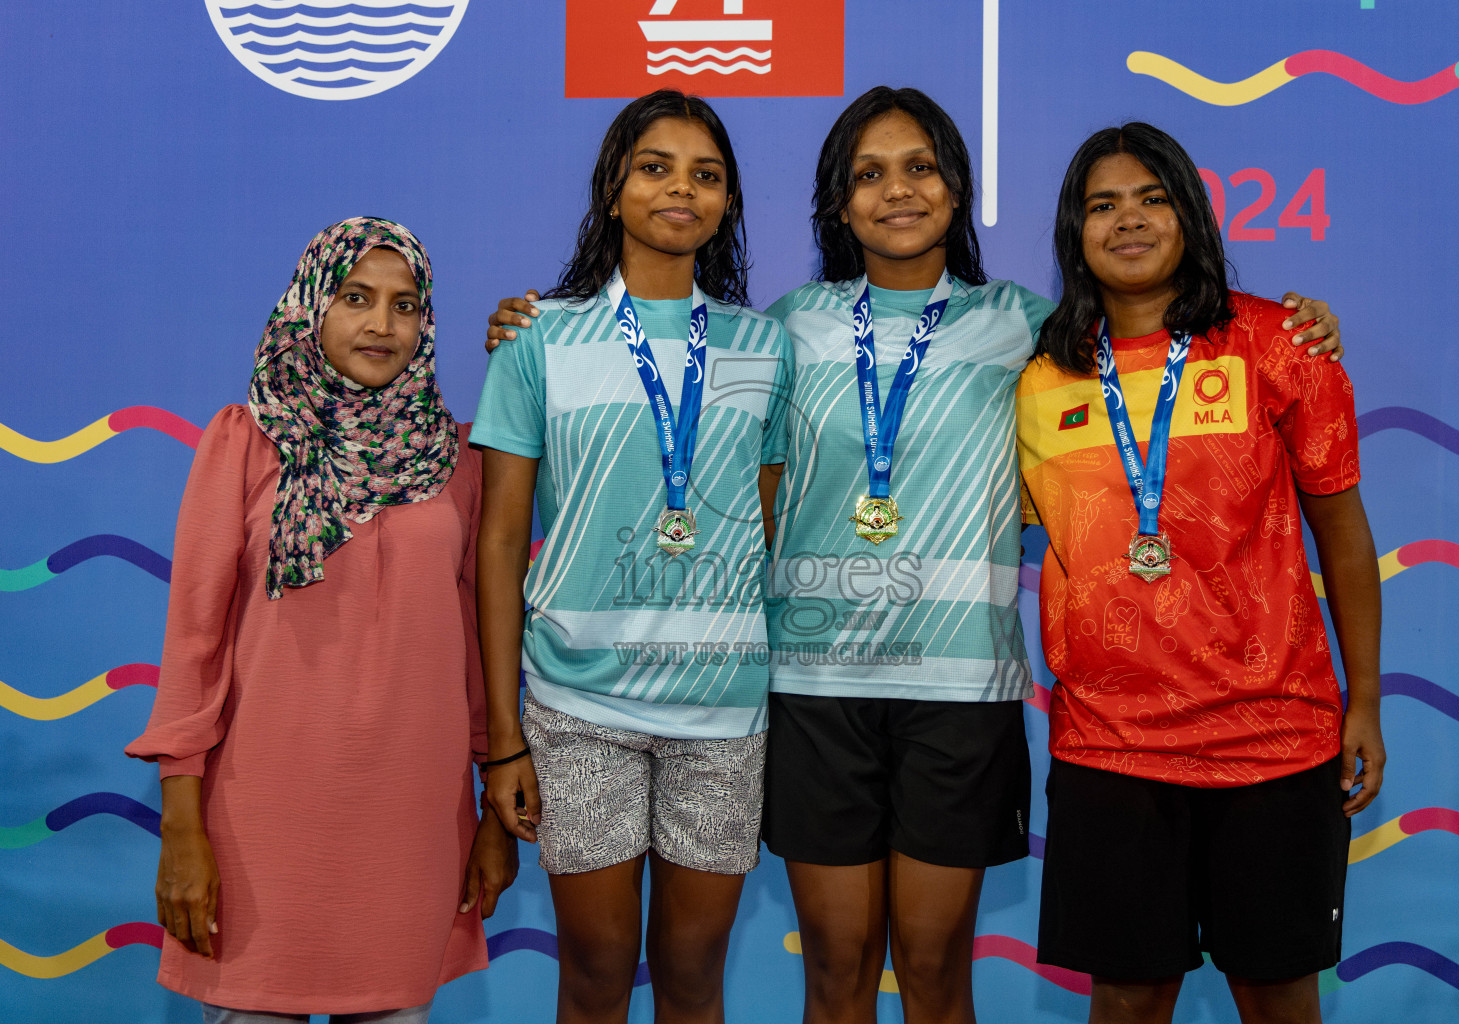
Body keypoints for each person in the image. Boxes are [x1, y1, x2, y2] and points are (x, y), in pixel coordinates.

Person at [483, 87, 1343, 1024]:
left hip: (960, 697)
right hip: (815, 692)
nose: (897, 191)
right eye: (869, 173)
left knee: (935, 975)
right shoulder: (780, 331)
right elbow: (705, 428)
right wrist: (529, 325)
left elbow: (1157, 337)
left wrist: (1297, 325)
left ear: (957, 187)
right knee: (837, 971)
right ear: (838, 204)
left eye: (921, 167)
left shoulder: (1032, 331)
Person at [1016, 123, 1385, 1024]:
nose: (1129, 220)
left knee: (1277, 996)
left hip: (1275, 741)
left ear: (1192, 214)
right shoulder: (1039, 376)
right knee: (1130, 999)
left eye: (1153, 197)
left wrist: (1364, 698)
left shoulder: (1277, 343)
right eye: (1103, 205)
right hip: (1110, 746)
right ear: (1074, 232)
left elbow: (1342, 533)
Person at [126, 218, 515, 1023]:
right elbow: (194, 646)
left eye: (405, 305)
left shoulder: (459, 462)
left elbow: (478, 656)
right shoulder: (245, 442)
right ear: (310, 308)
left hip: (410, 822)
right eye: (355, 298)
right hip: (263, 823)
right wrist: (180, 829)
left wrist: (488, 811)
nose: (382, 325)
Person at [471, 90, 792, 1024]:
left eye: (706, 173)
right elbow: (499, 541)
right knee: (597, 971)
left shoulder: (762, 346)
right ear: (613, 188)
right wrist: (504, 737)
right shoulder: (538, 339)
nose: (680, 188)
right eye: (655, 166)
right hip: (578, 709)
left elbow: (762, 534)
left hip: (723, 712)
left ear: (728, 201)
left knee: (694, 975)